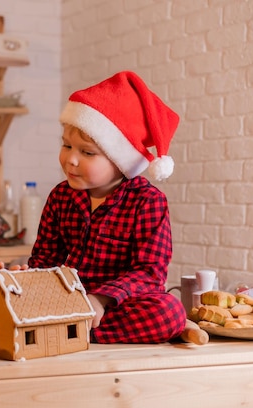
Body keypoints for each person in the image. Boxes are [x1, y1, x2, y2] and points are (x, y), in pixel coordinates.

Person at [27, 71, 186, 344]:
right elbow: (44, 261)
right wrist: (26, 282)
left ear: (120, 159)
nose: (71, 160)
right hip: (67, 299)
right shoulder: (60, 197)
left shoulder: (148, 202)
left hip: (117, 304)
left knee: (168, 312)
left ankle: (71, 332)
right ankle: (68, 327)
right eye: (66, 145)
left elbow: (150, 273)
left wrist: (100, 299)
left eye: (87, 153)